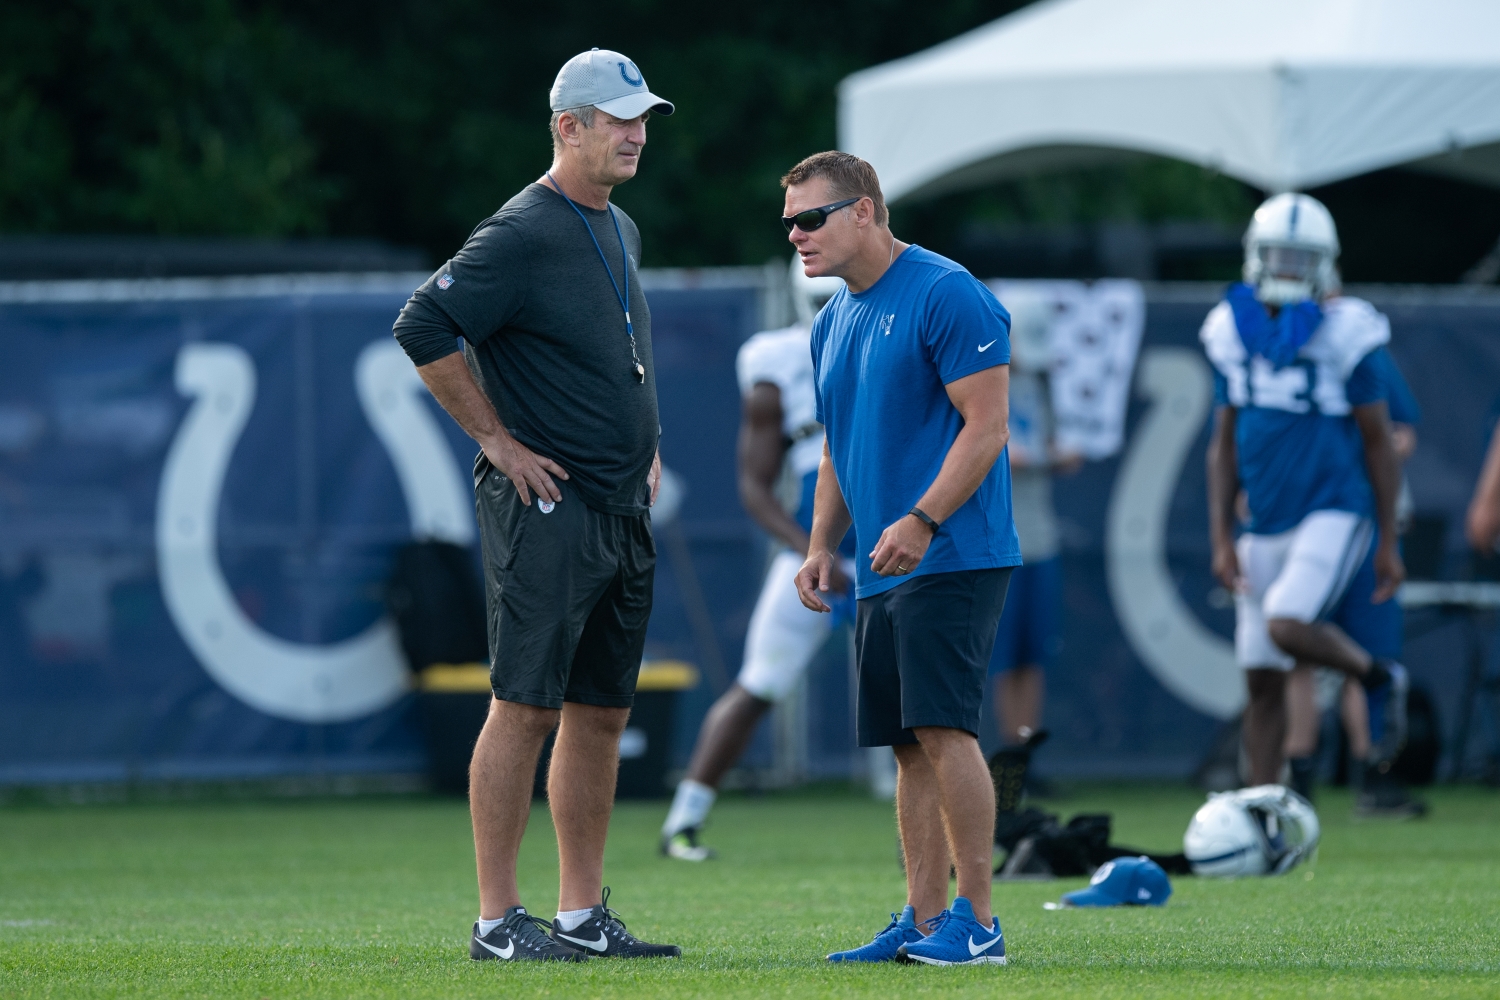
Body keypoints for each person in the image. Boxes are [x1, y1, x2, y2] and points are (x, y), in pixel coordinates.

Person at [391, 48, 679, 962]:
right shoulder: (520, 229)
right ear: (568, 126)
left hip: (621, 508)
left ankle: (583, 915)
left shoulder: (619, 226)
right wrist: (497, 441)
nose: (636, 133)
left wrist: (650, 443)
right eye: (619, 117)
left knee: (600, 712)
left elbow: (611, 356)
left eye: (642, 118)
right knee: (524, 706)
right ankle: (496, 921)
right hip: (549, 509)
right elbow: (422, 324)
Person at [786, 151, 1018, 967]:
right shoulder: (831, 319)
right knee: (908, 745)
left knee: (944, 729)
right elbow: (837, 450)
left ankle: (978, 921)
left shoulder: (945, 290)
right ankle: (923, 921)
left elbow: (987, 425)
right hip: (889, 559)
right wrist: (821, 544)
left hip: (953, 549)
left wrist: (922, 519)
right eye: (789, 223)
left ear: (865, 212)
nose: (797, 235)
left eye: (810, 218)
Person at [1204, 192, 1410, 792]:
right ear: (1256, 255)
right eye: (1279, 255)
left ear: (1324, 262)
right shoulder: (1229, 328)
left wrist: (1389, 536)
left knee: (1286, 624)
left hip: (1334, 507)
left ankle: (1376, 677)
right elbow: (1224, 443)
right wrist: (1221, 536)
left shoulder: (1349, 329)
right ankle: (1261, 810)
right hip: (1263, 519)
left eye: (1302, 258)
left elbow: (1380, 440)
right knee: (1261, 682)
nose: (1289, 268)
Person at [659, 259, 854, 861]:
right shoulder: (776, 360)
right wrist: (813, 551)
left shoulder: (902, 332)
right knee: (761, 680)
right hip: (818, 542)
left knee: (921, 695)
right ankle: (682, 822)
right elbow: (754, 486)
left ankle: (948, 837)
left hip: (894, 535)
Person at [1283, 347, 1426, 817]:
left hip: (1360, 518)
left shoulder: (1361, 348)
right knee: (1293, 645)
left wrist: (1362, 447)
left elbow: (1401, 435)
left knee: (1364, 650)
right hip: (1296, 519)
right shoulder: (1269, 351)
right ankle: (1295, 778)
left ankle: (1373, 771)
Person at [986, 291, 1080, 755]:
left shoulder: (1044, 386)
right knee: (1003, 658)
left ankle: (1028, 762)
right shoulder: (980, 383)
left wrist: (1058, 454)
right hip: (1000, 542)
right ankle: (1008, 764)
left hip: (1040, 538)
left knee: (1034, 655)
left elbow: (1068, 445)